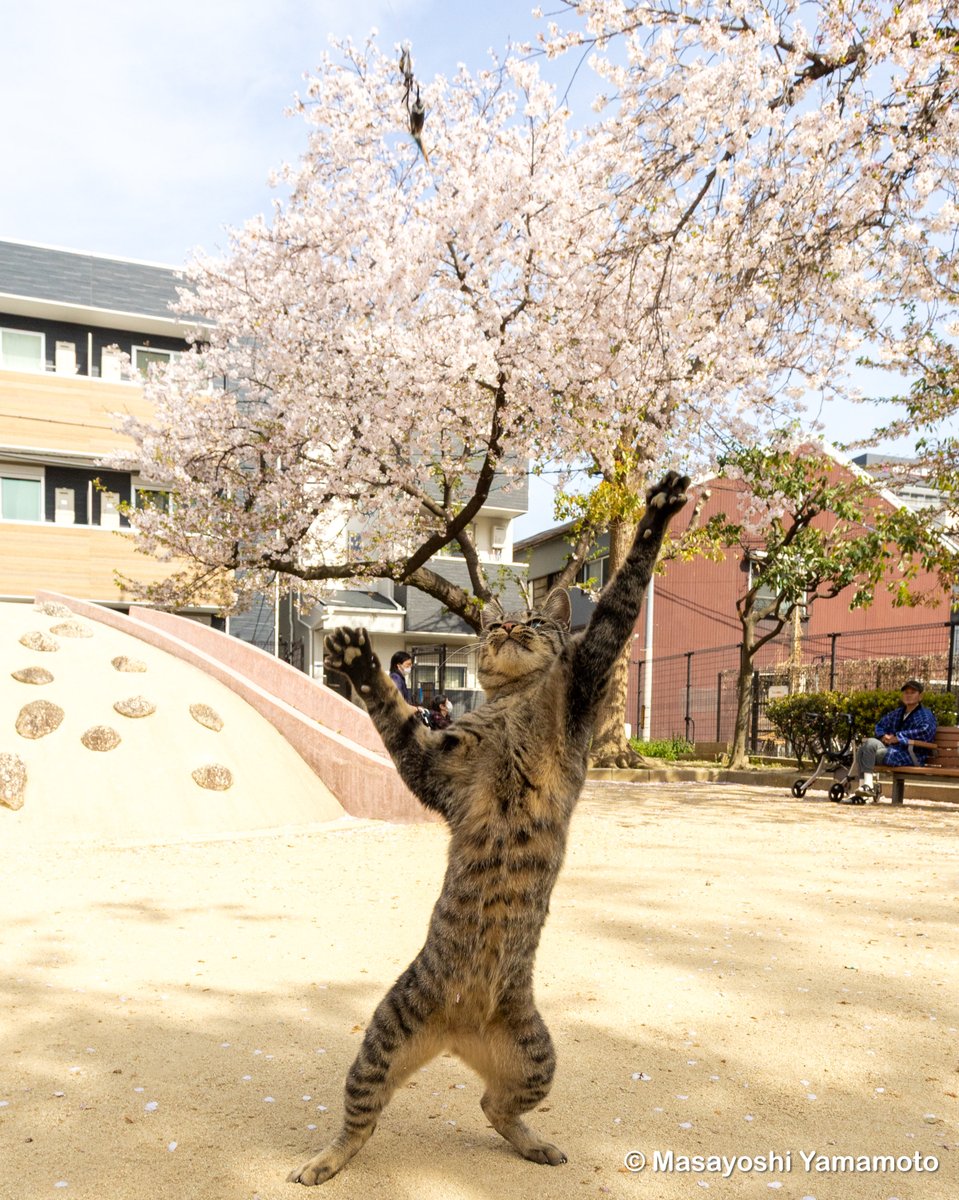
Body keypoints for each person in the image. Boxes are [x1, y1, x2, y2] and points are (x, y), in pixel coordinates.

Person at [851, 679, 937, 801]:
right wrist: (883, 736)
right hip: (892, 750)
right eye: (906, 692)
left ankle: (865, 790)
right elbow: (880, 725)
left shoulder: (925, 715)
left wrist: (898, 738)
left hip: (912, 755)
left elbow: (926, 732)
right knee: (866, 746)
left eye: (912, 692)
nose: (908, 695)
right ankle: (865, 788)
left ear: (920, 696)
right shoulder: (898, 713)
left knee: (867, 752)